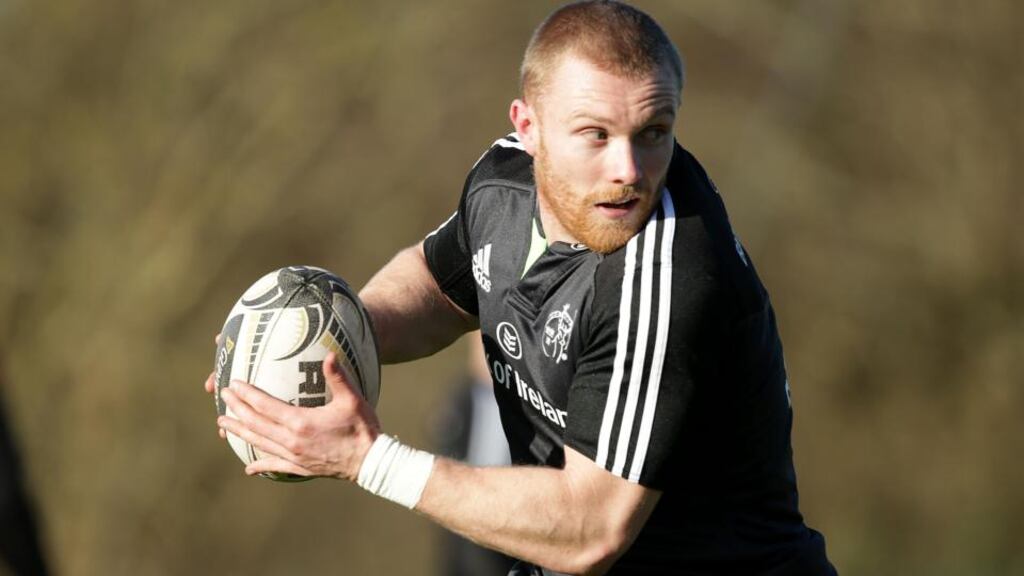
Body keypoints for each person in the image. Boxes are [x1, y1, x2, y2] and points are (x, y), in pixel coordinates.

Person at [209, 1, 837, 574]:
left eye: (653, 132)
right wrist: (327, 345)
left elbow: (591, 527)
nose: (628, 171)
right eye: (596, 134)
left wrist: (365, 459)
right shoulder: (501, 183)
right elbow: (438, 283)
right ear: (528, 127)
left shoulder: (670, 278)